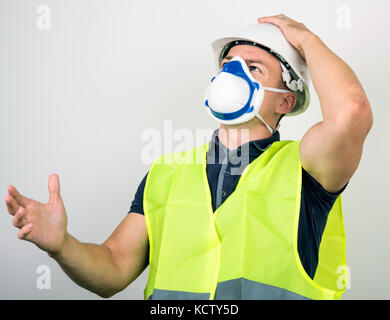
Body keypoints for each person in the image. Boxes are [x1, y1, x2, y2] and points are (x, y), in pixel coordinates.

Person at [5, 15, 373, 300]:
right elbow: (113, 270)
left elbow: (351, 112)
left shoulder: (306, 169)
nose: (232, 74)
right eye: (229, 63)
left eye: (254, 68)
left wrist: (306, 40)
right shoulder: (165, 174)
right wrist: (62, 245)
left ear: (285, 100)